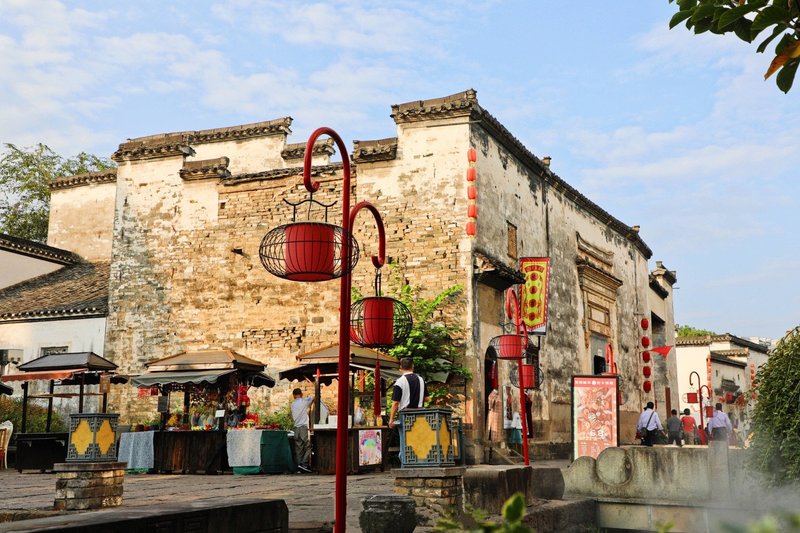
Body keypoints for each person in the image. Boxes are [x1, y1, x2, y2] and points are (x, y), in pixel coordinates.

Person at [388, 357, 427, 427]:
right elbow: (427, 398)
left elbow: (396, 402)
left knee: (406, 433)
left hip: (405, 415)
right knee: (420, 433)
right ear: (413, 366)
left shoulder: (400, 381)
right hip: (420, 414)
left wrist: (391, 419)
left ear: (401, 367)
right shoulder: (421, 380)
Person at [290, 388, 314, 473]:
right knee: (308, 446)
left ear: (294, 396)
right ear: (301, 394)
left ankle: (299, 466)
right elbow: (312, 398)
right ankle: (304, 464)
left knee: (298, 448)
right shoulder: (304, 402)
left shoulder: (292, 404)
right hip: (303, 427)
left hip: (296, 428)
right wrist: (308, 396)